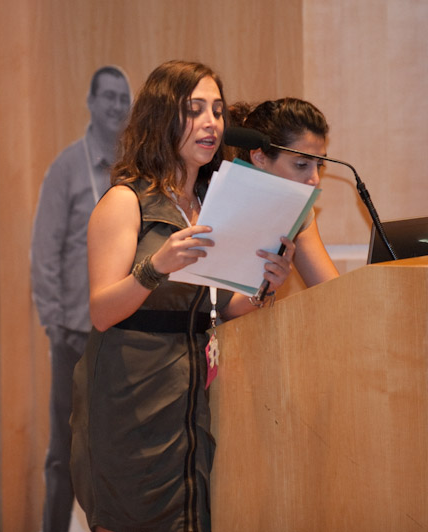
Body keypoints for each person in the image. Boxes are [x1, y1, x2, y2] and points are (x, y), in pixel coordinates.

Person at [69, 60, 295, 532]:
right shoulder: (125, 201)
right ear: (161, 118)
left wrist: (263, 286)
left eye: (217, 110)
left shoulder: (213, 203)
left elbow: (215, 307)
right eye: (195, 110)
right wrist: (155, 268)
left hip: (192, 402)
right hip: (130, 397)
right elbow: (102, 311)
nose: (212, 122)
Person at [30, 65, 131, 532]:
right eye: (107, 96)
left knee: (114, 446)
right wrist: (54, 321)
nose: (115, 105)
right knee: (62, 451)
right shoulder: (67, 168)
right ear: (90, 103)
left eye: (122, 98)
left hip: (120, 331)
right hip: (73, 332)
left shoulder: (133, 170)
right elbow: (45, 250)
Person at [228, 98, 340, 287]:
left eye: (319, 165)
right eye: (301, 164)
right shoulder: (215, 205)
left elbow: (333, 293)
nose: (315, 179)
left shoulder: (297, 210)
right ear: (259, 157)